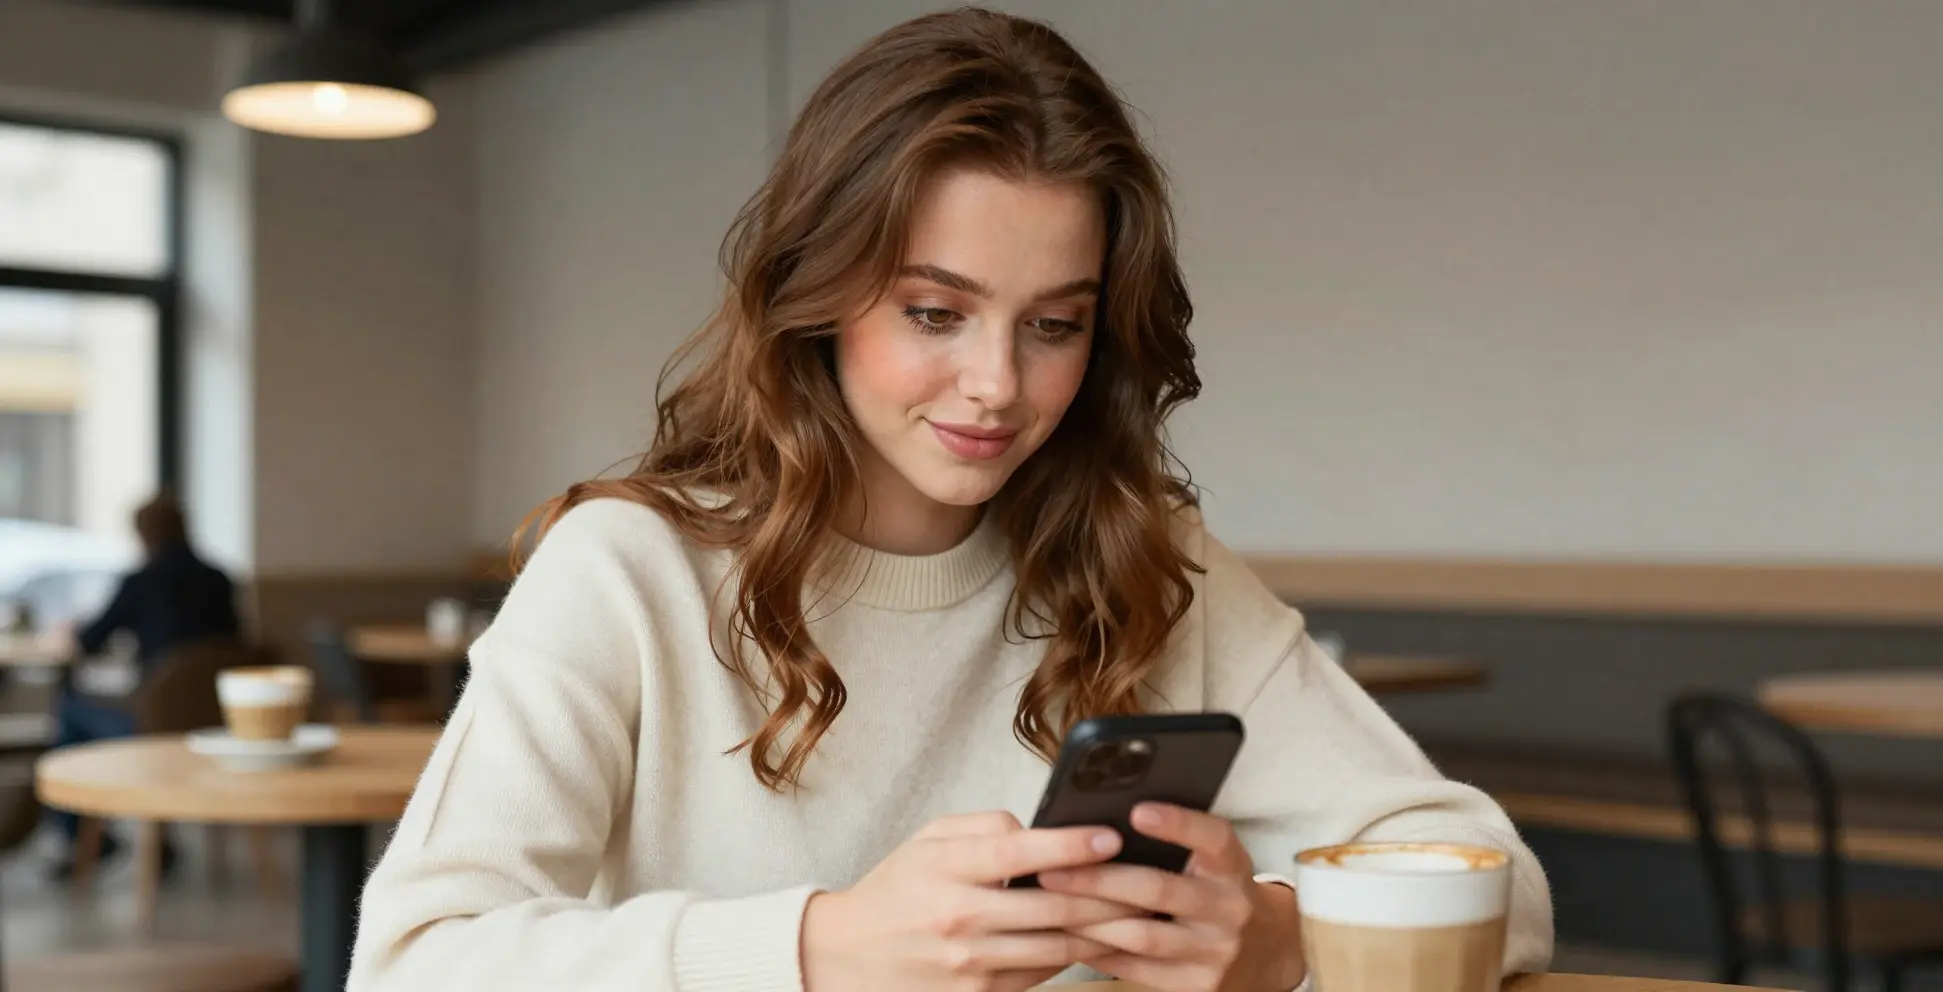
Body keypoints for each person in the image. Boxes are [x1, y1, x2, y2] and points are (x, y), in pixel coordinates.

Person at [350, 8, 1554, 991]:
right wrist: (820, 950)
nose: (997, 386)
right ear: (818, 291)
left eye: (1054, 325)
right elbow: (410, 963)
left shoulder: (1149, 561)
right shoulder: (628, 568)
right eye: (935, 311)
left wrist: (1287, 940)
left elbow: (1500, 876)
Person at [47, 493, 241, 879]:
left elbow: (91, 641)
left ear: (143, 534)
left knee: (71, 709)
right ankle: (158, 838)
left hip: (154, 722)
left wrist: (73, 630)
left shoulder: (141, 581)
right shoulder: (220, 578)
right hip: (218, 720)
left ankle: (82, 837)